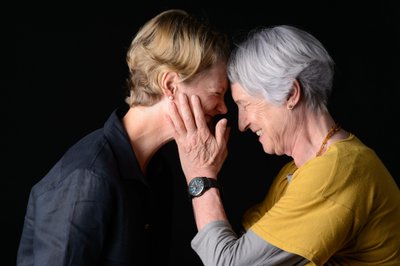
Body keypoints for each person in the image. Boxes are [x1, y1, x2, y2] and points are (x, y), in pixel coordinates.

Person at [167, 25, 400, 265]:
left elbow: (227, 262)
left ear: (290, 93)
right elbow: (241, 245)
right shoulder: (297, 173)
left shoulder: (336, 172)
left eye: (245, 105)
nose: (242, 124)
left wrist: (200, 174)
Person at [17, 9, 230, 266]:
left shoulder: (157, 172)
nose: (223, 109)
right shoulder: (88, 177)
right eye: (217, 93)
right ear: (171, 85)